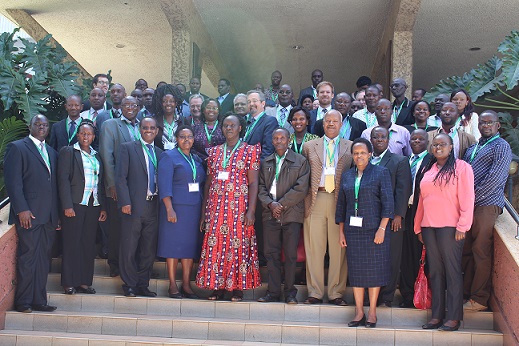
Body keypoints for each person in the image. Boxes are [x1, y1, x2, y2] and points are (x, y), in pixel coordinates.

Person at [196, 114, 262, 301]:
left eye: (233, 125)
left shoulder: (250, 151)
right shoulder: (214, 152)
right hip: (216, 208)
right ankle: (217, 286)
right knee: (215, 246)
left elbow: (254, 183)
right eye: (226, 125)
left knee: (238, 245)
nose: (229, 128)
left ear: (240, 128)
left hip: (239, 208)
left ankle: (236, 287)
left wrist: (251, 210)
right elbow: (208, 184)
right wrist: (204, 213)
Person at [415, 133, 475, 331]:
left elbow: (467, 197)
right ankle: (437, 315)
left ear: (451, 147)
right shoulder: (428, 170)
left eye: (443, 144)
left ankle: (454, 316)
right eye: (435, 144)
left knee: (452, 271)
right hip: (429, 227)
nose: (438, 147)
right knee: (436, 271)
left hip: (451, 227)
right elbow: (422, 201)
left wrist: (463, 225)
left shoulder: (462, 168)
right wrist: (418, 226)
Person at [336, 138, 394, 328]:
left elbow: (388, 203)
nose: (359, 156)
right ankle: (359, 311)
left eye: (362, 152)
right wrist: (341, 232)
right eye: (355, 153)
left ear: (370, 154)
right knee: (357, 272)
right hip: (353, 232)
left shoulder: (380, 173)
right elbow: (341, 206)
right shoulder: (347, 176)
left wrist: (382, 229)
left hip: (375, 231)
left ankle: (372, 313)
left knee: (375, 272)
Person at [4, 114, 59, 313]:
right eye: (38, 124)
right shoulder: (18, 148)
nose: (42, 127)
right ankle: (23, 301)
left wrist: (56, 216)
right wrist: (22, 209)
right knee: (28, 258)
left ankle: (39, 300)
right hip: (29, 215)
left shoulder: (52, 152)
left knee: (44, 259)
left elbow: (53, 186)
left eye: (45, 125)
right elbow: (13, 182)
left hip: (48, 217)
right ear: (30, 126)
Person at [462, 110, 512, 311]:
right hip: (468, 207)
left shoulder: (501, 146)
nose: (486, 126)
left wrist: (472, 198)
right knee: (465, 250)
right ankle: (465, 293)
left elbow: (495, 179)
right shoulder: (472, 148)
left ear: (498, 126)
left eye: (490, 122)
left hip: (486, 205)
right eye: (482, 123)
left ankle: (479, 298)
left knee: (481, 250)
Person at [302, 110, 352, 306]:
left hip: (339, 201)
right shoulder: (309, 146)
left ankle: (335, 292)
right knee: (314, 248)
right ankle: (314, 291)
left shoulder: (350, 146)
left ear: (341, 125)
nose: (331, 124)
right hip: (315, 199)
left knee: (339, 248)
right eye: (327, 121)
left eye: (335, 121)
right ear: (323, 125)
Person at [257, 128, 310, 304]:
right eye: (275, 138)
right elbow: (261, 187)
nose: (279, 141)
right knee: (271, 254)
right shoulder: (266, 162)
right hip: (270, 213)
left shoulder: (300, 161)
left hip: (291, 214)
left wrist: (282, 204)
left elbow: (302, 188)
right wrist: (271, 204)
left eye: (282, 138)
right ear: (272, 141)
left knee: (290, 255)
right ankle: (272, 292)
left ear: (289, 140)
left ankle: (290, 293)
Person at [58, 120, 107, 295]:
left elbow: (100, 183)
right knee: (72, 243)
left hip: (92, 205)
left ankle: (84, 282)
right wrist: (67, 205)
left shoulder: (96, 155)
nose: (86, 136)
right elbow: (62, 180)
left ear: (94, 137)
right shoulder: (69, 152)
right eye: (83, 133)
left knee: (88, 244)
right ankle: (69, 282)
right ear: (78, 135)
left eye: (89, 134)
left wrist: (102, 207)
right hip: (75, 205)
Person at [116, 117, 163, 297]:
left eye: (152, 128)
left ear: (157, 131)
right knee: (129, 246)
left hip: (153, 205)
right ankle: (129, 284)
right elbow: (120, 178)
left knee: (148, 248)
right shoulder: (128, 148)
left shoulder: (159, 153)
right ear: (139, 130)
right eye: (145, 128)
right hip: (133, 205)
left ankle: (143, 284)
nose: (149, 130)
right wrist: (125, 202)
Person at [158, 125, 206, 299]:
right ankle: (172, 285)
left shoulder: (197, 160)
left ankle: (186, 284)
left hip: (193, 210)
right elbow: (164, 185)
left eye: (190, 137)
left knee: (189, 248)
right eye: (182, 137)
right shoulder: (169, 157)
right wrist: (169, 209)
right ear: (176, 139)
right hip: (175, 209)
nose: (187, 140)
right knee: (172, 247)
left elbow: (201, 185)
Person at [99, 96, 142, 277]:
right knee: (117, 228)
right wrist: (112, 185)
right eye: (126, 105)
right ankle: (115, 264)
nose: (129, 108)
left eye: (133, 105)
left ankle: (133, 264)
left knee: (135, 228)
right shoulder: (111, 125)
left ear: (138, 107)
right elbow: (107, 157)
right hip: (119, 187)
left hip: (139, 188)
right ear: (120, 108)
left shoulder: (144, 125)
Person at [369, 127, 412, 307]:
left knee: (391, 258)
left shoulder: (399, 161)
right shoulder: (364, 159)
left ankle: (387, 296)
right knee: (371, 257)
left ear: (388, 140)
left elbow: (403, 190)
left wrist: (398, 215)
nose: (379, 139)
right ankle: (371, 295)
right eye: (376, 137)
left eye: (383, 137)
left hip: (392, 220)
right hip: (369, 218)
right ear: (370, 139)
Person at [399, 129, 432, 308]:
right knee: (405, 255)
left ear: (427, 141)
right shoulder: (405, 161)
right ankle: (407, 295)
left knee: (419, 253)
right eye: (414, 138)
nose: (417, 141)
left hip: (423, 211)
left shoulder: (432, 161)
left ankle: (422, 294)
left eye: (421, 138)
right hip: (405, 212)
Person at [151, 84, 188, 150]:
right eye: (165, 101)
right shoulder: (154, 121)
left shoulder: (183, 121)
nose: (168, 104)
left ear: (176, 103)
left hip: (179, 157)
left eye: (171, 101)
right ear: (161, 103)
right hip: (160, 157)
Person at [244, 90, 278, 159]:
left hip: (258, 166)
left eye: (254, 101)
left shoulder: (270, 121)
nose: (251, 104)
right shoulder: (245, 121)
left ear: (263, 104)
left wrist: (257, 167)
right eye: (249, 102)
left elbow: (268, 150)